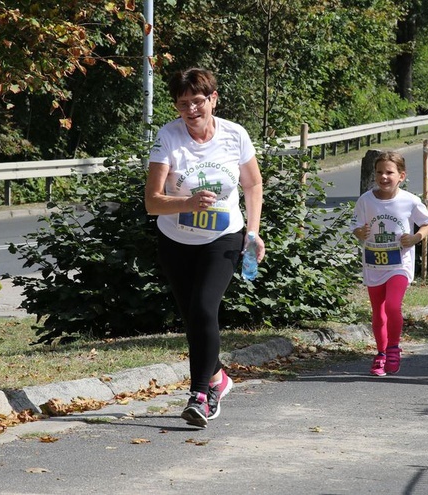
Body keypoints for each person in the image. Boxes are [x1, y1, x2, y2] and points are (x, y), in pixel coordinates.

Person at [144, 67, 264, 428]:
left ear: (213, 99)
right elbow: (152, 202)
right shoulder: (168, 137)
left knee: (202, 307)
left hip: (223, 237)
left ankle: (201, 395)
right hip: (176, 240)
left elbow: (253, 185)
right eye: (183, 104)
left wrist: (253, 233)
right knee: (192, 318)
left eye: (198, 101)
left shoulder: (234, 135)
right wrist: (188, 204)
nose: (192, 110)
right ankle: (218, 377)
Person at [351, 151, 428, 376]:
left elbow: (427, 223)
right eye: (379, 172)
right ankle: (380, 353)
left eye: (390, 172)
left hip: (400, 263)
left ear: (401, 176)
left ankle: (393, 348)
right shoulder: (366, 200)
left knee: (392, 306)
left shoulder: (409, 200)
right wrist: (361, 231)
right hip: (374, 263)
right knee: (378, 311)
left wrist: (416, 237)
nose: (384, 177)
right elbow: (355, 226)